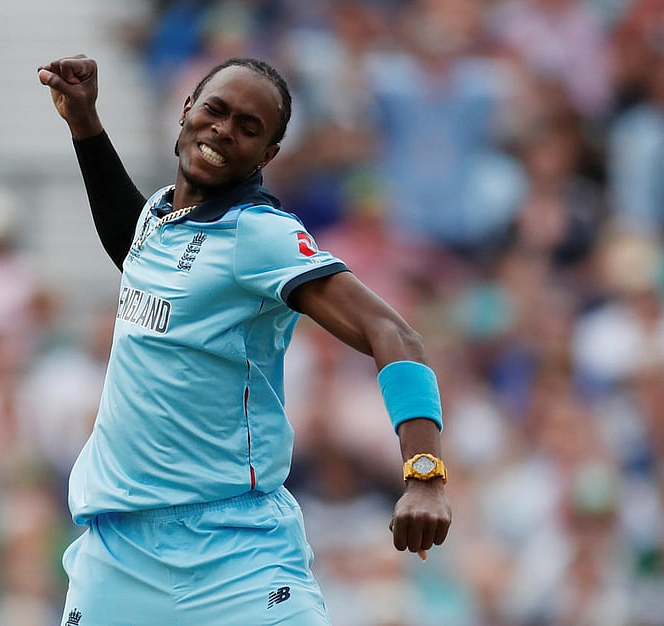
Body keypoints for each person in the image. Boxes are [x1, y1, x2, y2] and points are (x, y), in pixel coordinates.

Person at [37, 53, 451, 625]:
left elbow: (392, 331)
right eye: (216, 110)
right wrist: (85, 123)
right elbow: (133, 250)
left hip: (234, 552)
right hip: (118, 556)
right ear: (186, 110)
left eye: (249, 128)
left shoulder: (260, 236)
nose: (224, 130)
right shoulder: (160, 216)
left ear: (269, 155)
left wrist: (424, 473)